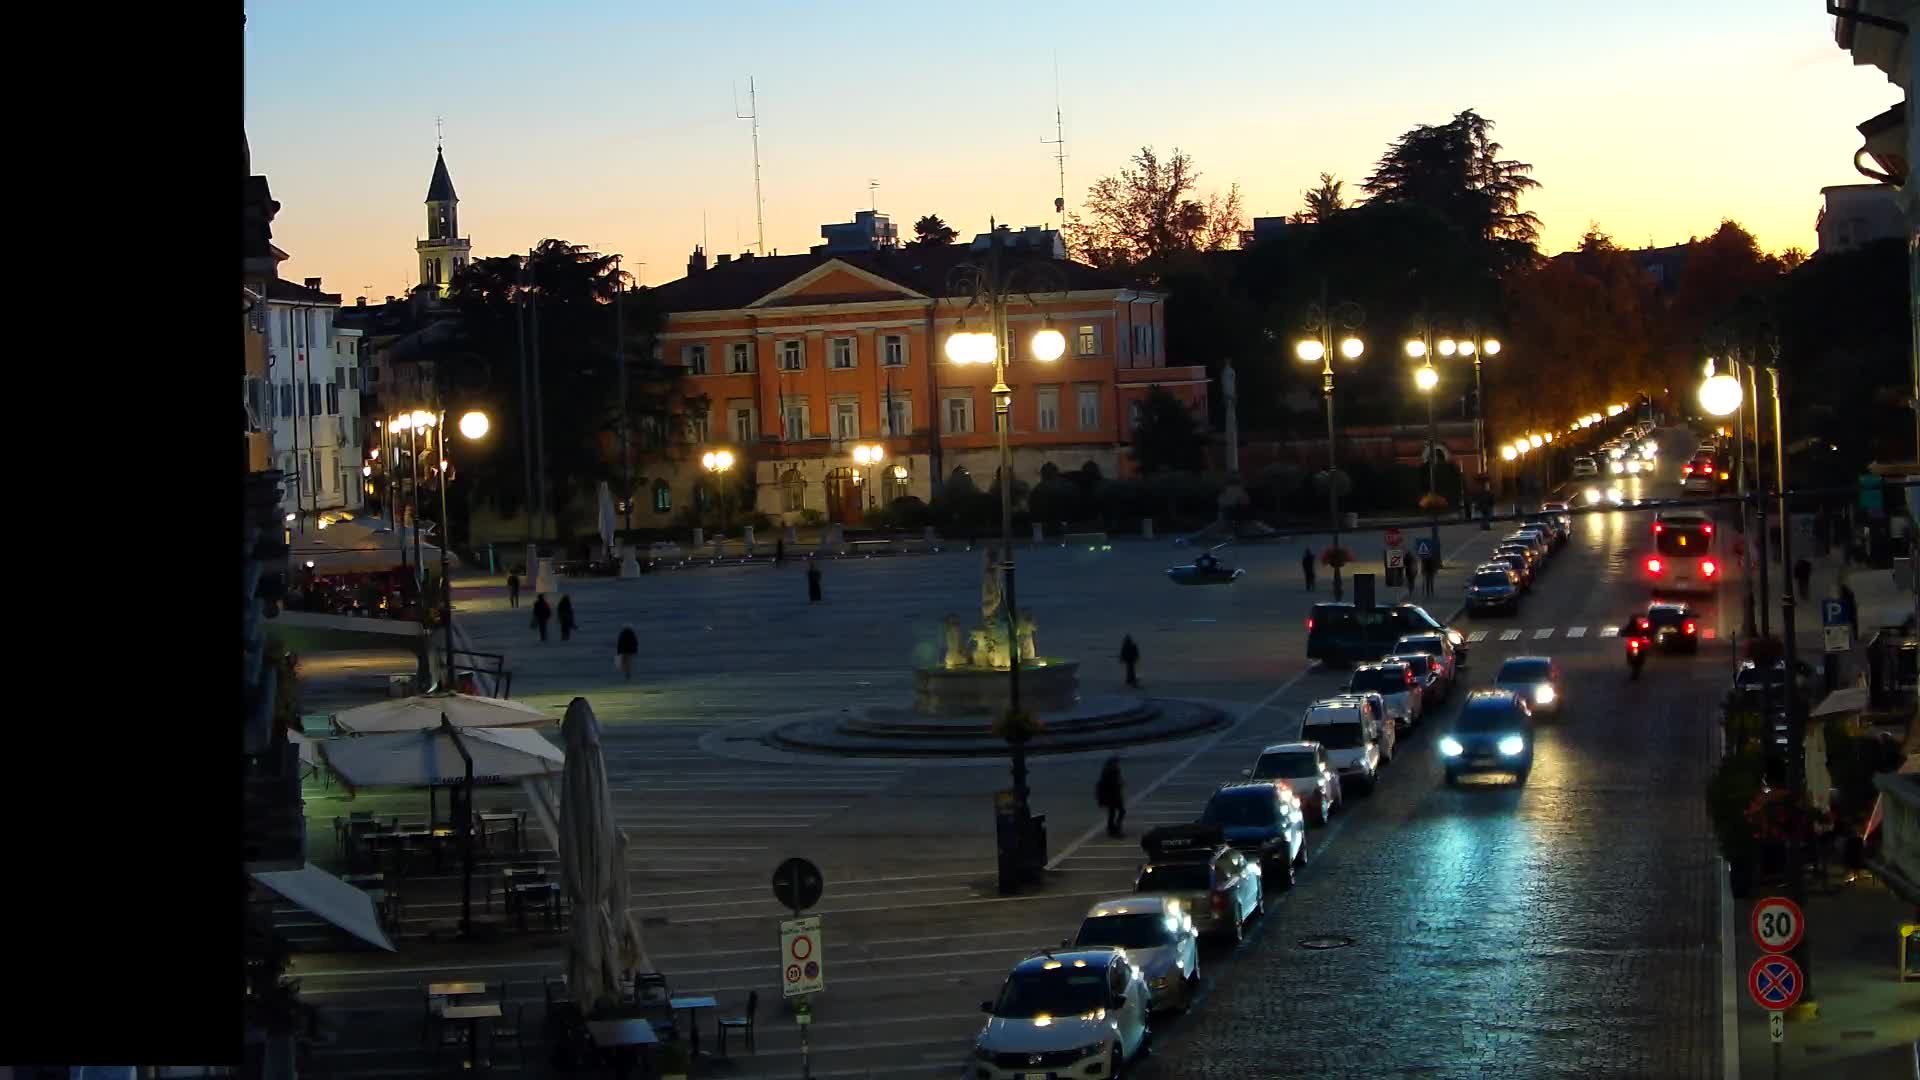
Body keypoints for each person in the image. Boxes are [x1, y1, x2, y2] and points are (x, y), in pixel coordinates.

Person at [1096, 756, 1126, 837]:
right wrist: (1120, 783)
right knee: (1119, 812)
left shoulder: (1109, 771)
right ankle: (1115, 829)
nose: (1118, 764)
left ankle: (1113, 829)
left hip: (1112, 796)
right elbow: (1113, 784)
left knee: (1113, 813)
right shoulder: (1111, 772)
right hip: (1112, 796)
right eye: (1116, 763)